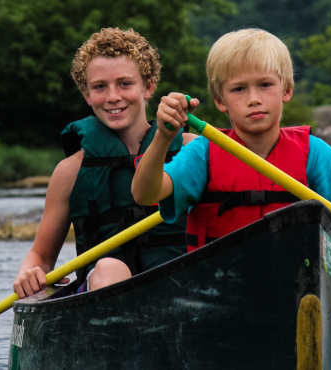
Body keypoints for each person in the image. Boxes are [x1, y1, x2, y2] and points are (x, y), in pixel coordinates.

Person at [131, 28, 331, 271]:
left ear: (286, 90)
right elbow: (144, 193)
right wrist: (164, 137)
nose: (254, 99)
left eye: (265, 85)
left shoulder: (316, 155)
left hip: (299, 279)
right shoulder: (204, 154)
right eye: (239, 89)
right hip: (221, 284)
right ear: (221, 101)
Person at [13, 27, 196, 298]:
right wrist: (30, 272)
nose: (113, 97)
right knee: (110, 268)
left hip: (183, 286)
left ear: (149, 86)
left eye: (125, 83)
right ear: (86, 95)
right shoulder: (70, 172)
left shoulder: (191, 149)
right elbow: (40, 256)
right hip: (103, 293)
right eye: (100, 87)